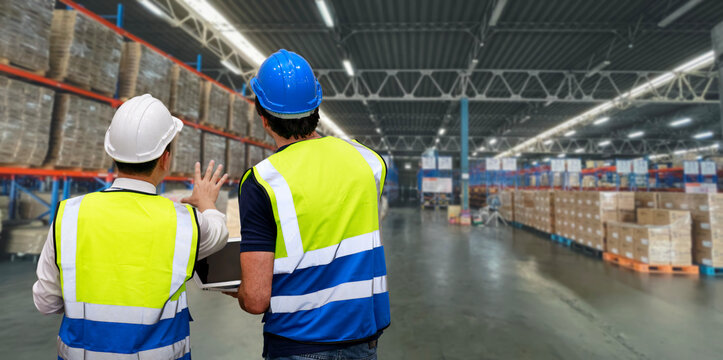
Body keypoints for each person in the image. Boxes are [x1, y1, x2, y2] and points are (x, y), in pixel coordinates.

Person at [32, 94, 230, 359]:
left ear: (112, 152)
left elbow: (46, 302)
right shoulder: (185, 222)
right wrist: (206, 202)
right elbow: (219, 233)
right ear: (165, 159)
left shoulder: (68, 214)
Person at [228, 49, 390, 360]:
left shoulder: (262, 182)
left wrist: (236, 289)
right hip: (364, 340)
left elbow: (256, 300)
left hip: (298, 343)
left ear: (263, 116)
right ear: (316, 104)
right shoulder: (369, 161)